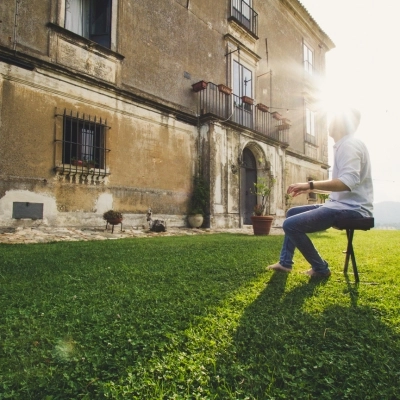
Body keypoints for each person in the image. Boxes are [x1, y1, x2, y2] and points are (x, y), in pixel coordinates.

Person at [268, 107, 373, 277]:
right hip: (340, 205)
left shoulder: (350, 145)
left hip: (352, 209)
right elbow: (341, 184)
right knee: (292, 213)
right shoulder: (344, 145)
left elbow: (348, 182)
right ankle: (285, 263)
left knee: (290, 225)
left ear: (340, 124)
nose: (328, 124)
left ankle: (321, 268)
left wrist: (309, 185)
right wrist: (308, 187)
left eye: (333, 119)